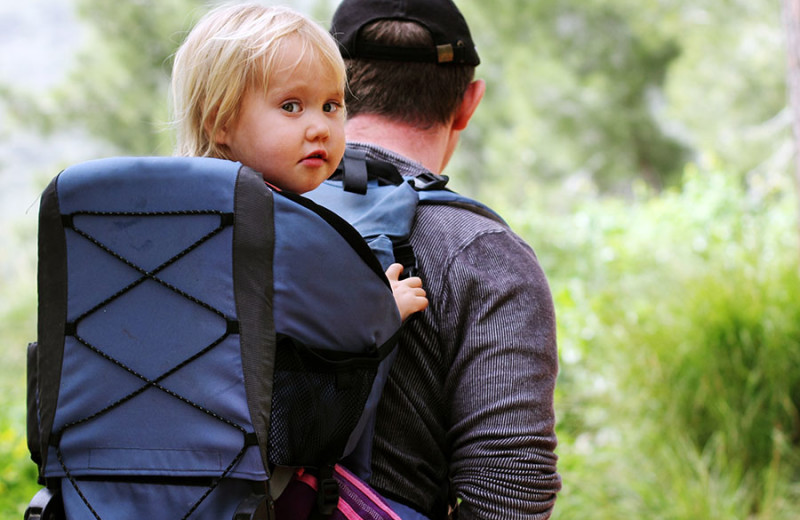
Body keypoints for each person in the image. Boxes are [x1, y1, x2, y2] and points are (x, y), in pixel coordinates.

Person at [326, 0, 562, 518]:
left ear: (333, 90)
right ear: (469, 102)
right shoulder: (483, 255)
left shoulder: (247, 211)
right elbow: (510, 490)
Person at [170, 3, 427, 321]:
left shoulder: (180, 211)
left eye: (331, 106)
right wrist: (383, 311)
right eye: (291, 106)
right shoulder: (273, 229)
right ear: (220, 123)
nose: (320, 128)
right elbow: (314, 337)